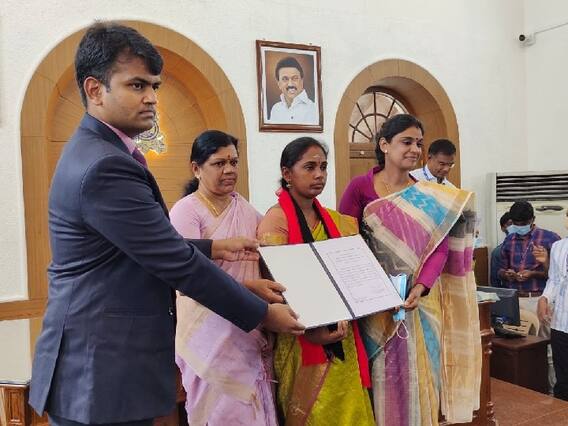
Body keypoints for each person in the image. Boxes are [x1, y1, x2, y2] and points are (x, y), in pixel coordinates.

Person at [29, 22, 303, 426]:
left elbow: (138, 247)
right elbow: (174, 261)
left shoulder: (100, 151)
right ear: (94, 90)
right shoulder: (105, 165)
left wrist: (214, 247)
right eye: (137, 85)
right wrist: (262, 313)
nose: (152, 98)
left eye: (154, 86)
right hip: (101, 368)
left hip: (101, 366)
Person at [339, 114, 481, 425]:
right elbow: (345, 242)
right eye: (407, 142)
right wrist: (375, 288)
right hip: (374, 302)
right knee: (380, 377)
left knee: (422, 379)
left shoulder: (428, 194)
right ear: (384, 145)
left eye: (419, 143)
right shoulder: (360, 187)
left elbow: (439, 247)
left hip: (420, 303)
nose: (415, 149)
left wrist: (421, 286)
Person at [257, 137, 375, 425]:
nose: (319, 174)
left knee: (349, 410)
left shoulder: (337, 221)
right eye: (309, 167)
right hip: (300, 335)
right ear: (287, 173)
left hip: (341, 331)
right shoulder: (276, 220)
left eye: (323, 167)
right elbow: (275, 286)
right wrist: (311, 331)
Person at [170, 130, 281, 425]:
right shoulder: (186, 210)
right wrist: (249, 288)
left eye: (233, 162)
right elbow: (186, 278)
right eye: (219, 163)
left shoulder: (242, 207)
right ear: (196, 168)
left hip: (246, 328)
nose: (230, 170)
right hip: (207, 332)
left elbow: (268, 247)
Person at [498, 201, 560, 312]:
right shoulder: (509, 240)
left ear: (532, 219)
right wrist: (507, 275)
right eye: (516, 224)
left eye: (523, 224)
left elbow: (559, 276)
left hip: (540, 299)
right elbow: (500, 271)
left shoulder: (550, 239)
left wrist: (533, 274)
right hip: (515, 299)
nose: (519, 227)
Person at [536, 209, 568, 401]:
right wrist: (544, 298)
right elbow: (555, 280)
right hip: (561, 324)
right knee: (562, 379)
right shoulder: (558, 247)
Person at [268, 56, 318, 124]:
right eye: (285, 79)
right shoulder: (275, 109)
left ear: (302, 81)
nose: (290, 84)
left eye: (295, 78)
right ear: (279, 84)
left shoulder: (314, 109)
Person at [490, 212, 513, 286]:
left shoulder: (533, 248)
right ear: (503, 228)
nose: (514, 227)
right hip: (509, 290)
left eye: (516, 224)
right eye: (510, 224)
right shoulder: (497, 252)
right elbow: (495, 281)